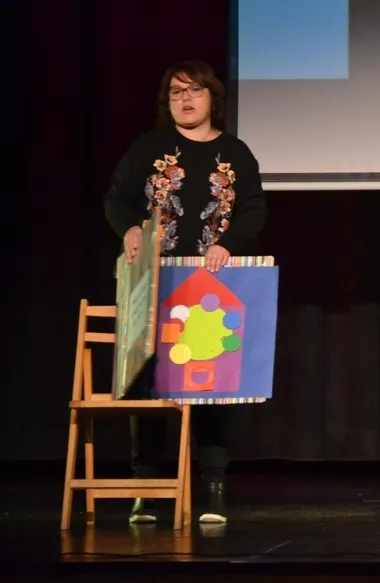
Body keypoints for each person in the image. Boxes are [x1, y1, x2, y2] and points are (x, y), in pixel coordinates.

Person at [103, 60, 267, 525]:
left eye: (195, 90)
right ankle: (145, 488)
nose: (186, 99)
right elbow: (116, 198)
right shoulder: (149, 147)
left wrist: (227, 244)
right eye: (176, 92)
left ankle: (213, 487)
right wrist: (130, 228)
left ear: (213, 97)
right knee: (149, 384)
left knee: (212, 384)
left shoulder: (235, 152)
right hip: (154, 280)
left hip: (210, 282)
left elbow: (254, 210)